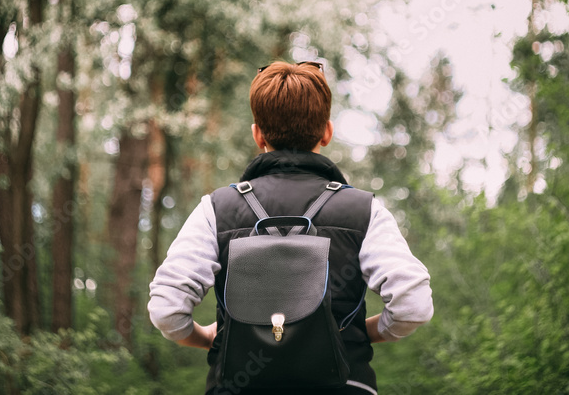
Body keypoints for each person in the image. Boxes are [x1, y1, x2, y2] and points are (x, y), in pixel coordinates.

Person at [148, 60, 433, 394]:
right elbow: (413, 305)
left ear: (258, 135)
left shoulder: (216, 209)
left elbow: (167, 309)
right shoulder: (363, 210)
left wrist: (206, 337)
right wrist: (360, 332)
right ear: (327, 132)